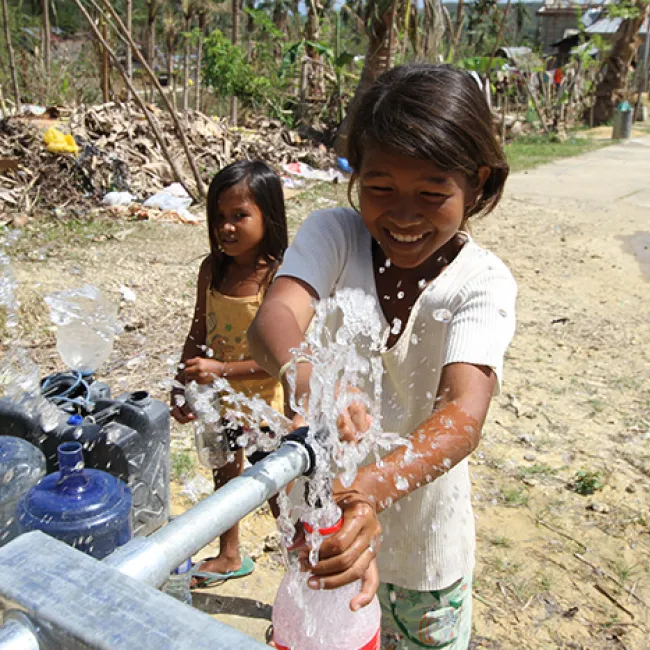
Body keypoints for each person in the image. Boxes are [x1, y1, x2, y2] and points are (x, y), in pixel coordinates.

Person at [248, 64, 517, 649]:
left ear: (477, 183)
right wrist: (312, 379)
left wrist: (368, 489)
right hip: (326, 530)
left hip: (425, 553)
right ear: (355, 176)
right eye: (380, 188)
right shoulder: (335, 237)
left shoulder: (482, 283)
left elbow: (461, 417)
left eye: (431, 193)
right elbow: (274, 320)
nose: (403, 213)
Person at [171, 160, 288, 587]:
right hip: (219, 401)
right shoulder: (213, 270)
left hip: (264, 406)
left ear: (268, 217)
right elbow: (197, 331)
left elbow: (283, 359)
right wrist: (181, 383)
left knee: (278, 490)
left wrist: (222, 368)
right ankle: (230, 553)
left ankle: (300, 568)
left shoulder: (276, 277)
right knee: (224, 475)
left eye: (239, 216)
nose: (227, 227)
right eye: (219, 217)